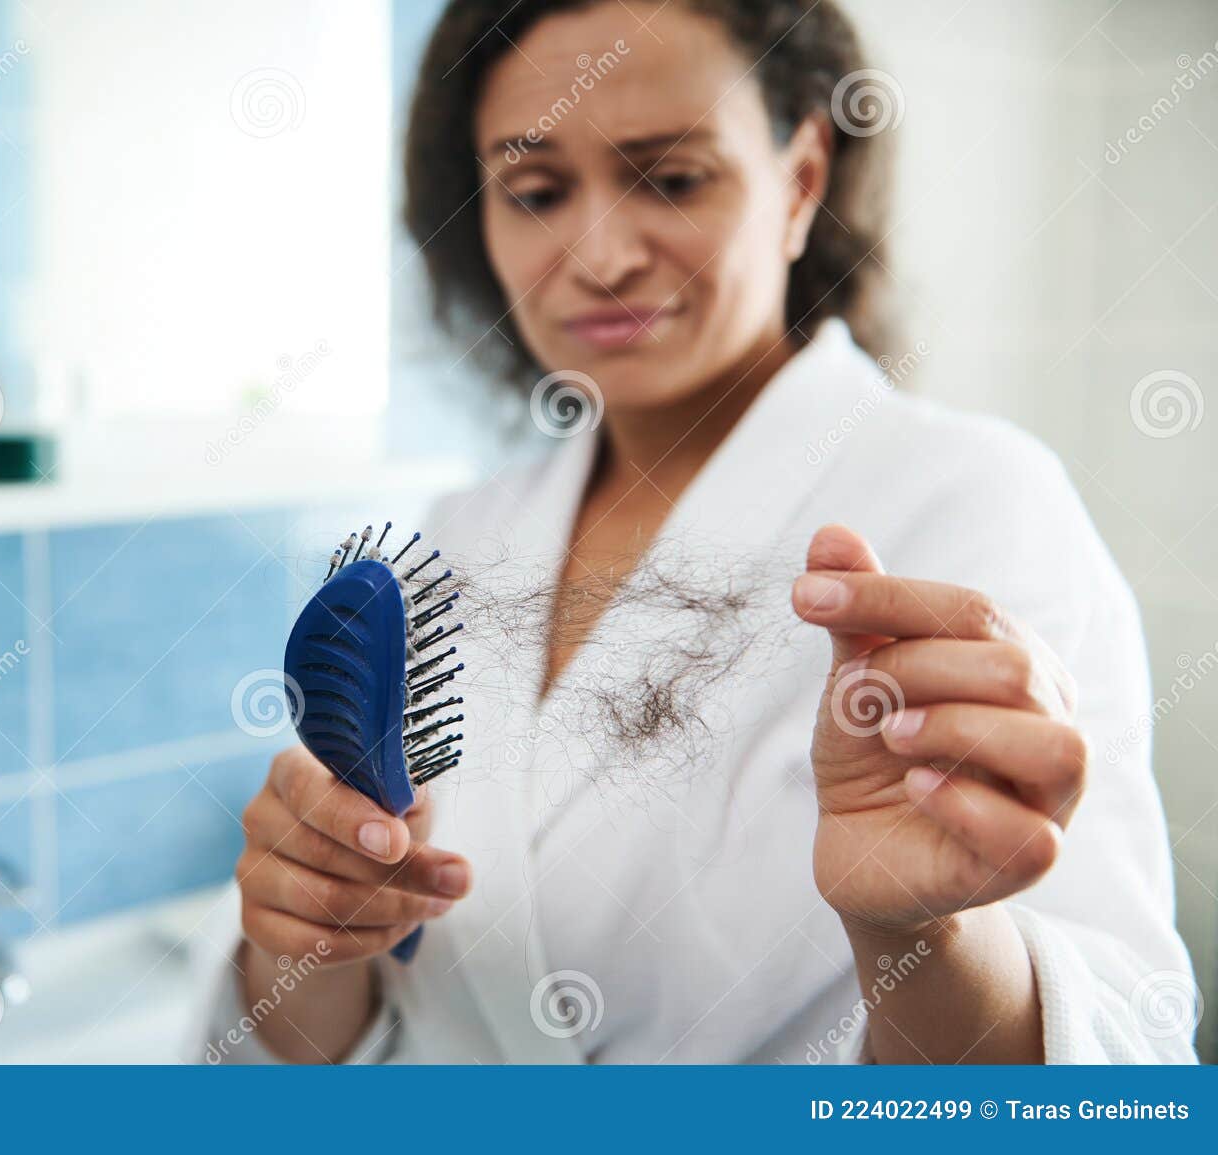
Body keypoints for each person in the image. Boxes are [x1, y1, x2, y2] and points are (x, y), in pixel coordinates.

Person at [194, 0, 1196, 1064]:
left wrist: (925, 932)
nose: (601, 254)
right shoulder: (454, 540)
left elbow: (1118, 1061)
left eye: (671, 178)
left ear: (801, 177)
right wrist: (307, 936)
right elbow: (306, 1056)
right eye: (535, 191)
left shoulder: (970, 501)